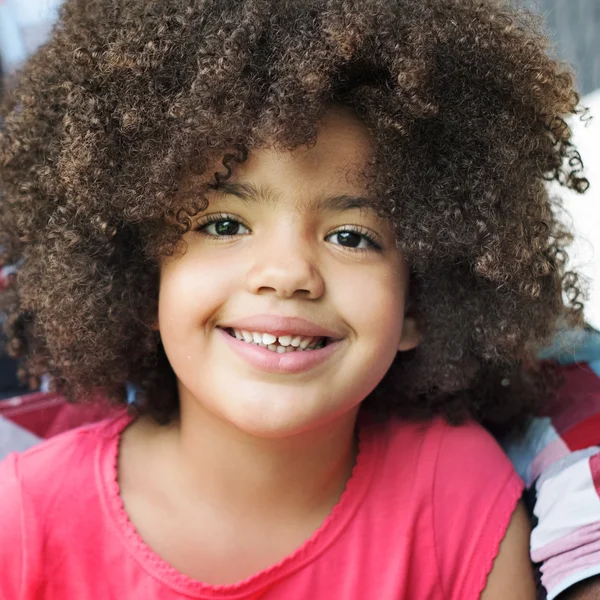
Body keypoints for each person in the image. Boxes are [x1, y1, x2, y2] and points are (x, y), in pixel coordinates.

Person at [0, 0, 589, 597]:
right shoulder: (21, 520)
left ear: (420, 302)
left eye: (352, 237)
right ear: (139, 271)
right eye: (225, 225)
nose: (287, 274)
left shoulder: (456, 495)